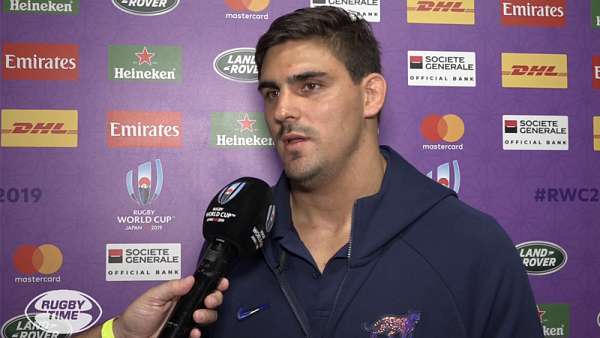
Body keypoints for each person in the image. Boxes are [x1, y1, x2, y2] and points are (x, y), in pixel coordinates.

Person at [80, 6, 544, 338]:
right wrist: (118, 335)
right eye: (270, 92)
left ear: (371, 95)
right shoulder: (232, 246)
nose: (283, 109)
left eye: (311, 86)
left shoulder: (472, 245)